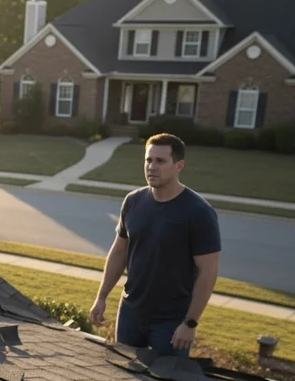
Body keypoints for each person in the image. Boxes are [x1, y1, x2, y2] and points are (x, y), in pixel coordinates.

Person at [89, 133, 221, 357]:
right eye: (148, 160)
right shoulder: (133, 201)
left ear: (179, 165)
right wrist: (101, 297)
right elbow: (119, 251)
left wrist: (190, 323)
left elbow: (208, 272)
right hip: (130, 312)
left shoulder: (199, 212)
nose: (152, 167)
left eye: (160, 161)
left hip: (171, 322)